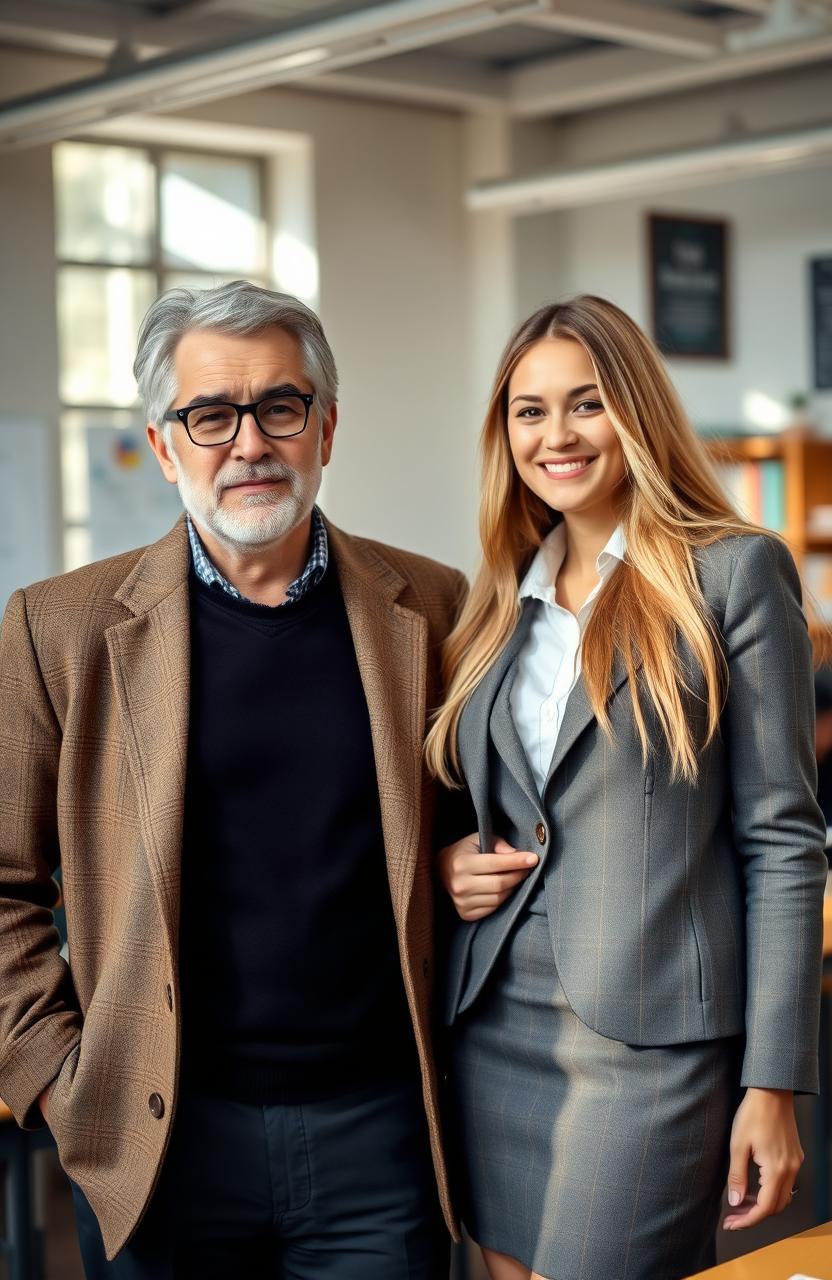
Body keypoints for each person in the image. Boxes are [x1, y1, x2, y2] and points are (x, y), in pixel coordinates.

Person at [0, 281, 466, 1278]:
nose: (248, 443)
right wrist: (59, 1083)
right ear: (166, 445)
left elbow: (458, 826)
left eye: (279, 407)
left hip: (378, 1133)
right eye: (210, 414)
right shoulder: (60, 627)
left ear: (326, 427)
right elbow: (1, 885)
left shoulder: (432, 603)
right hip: (159, 1141)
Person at [426, 295, 828, 1280]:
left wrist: (771, 1084)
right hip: (489, 1022)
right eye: (528, 410)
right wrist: (447, 861)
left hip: (651, 1048)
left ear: (635, 412)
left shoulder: (732, 571)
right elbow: (487, 798)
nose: (554, 434)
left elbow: (782, 841)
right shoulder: (493, 595)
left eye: (585, 403)